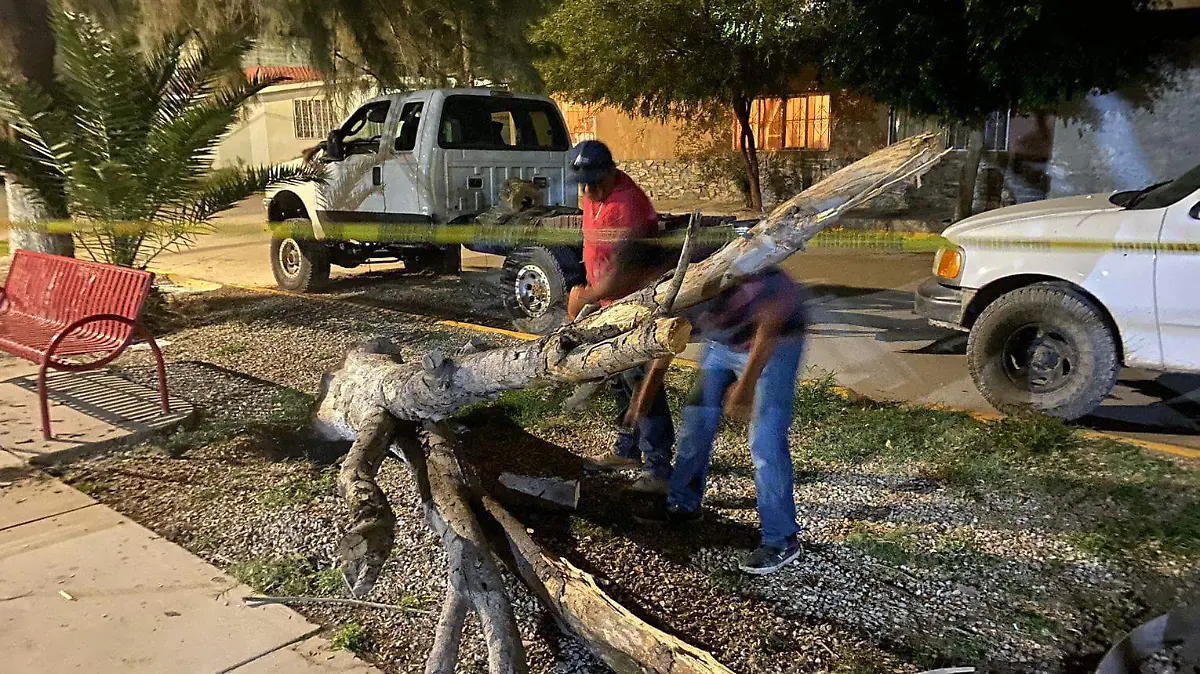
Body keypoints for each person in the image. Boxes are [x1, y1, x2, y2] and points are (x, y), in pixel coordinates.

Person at [634, 267, 810, 575]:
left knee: (765, 442)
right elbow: (668, 342)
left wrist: (745, 386)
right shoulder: (676, 288)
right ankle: (683, 505)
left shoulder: (752, 282)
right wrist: (645, 396)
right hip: (723, 345)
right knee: (696, 423)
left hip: (777, 342)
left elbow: (770, 328)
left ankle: (782, 540)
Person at [565, 139, 675, 494]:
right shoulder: (591, 197)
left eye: (595, 182)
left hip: (635, 305)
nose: (588, 190)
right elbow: (593, 248)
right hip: (605, 304)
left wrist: (587, 295)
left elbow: (626, 271)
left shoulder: (627, 205)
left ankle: (658, 466)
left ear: (612, 172)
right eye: (584, 183)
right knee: (616, 376)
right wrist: (584, 286)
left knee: (643, 380)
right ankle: (626, 449)